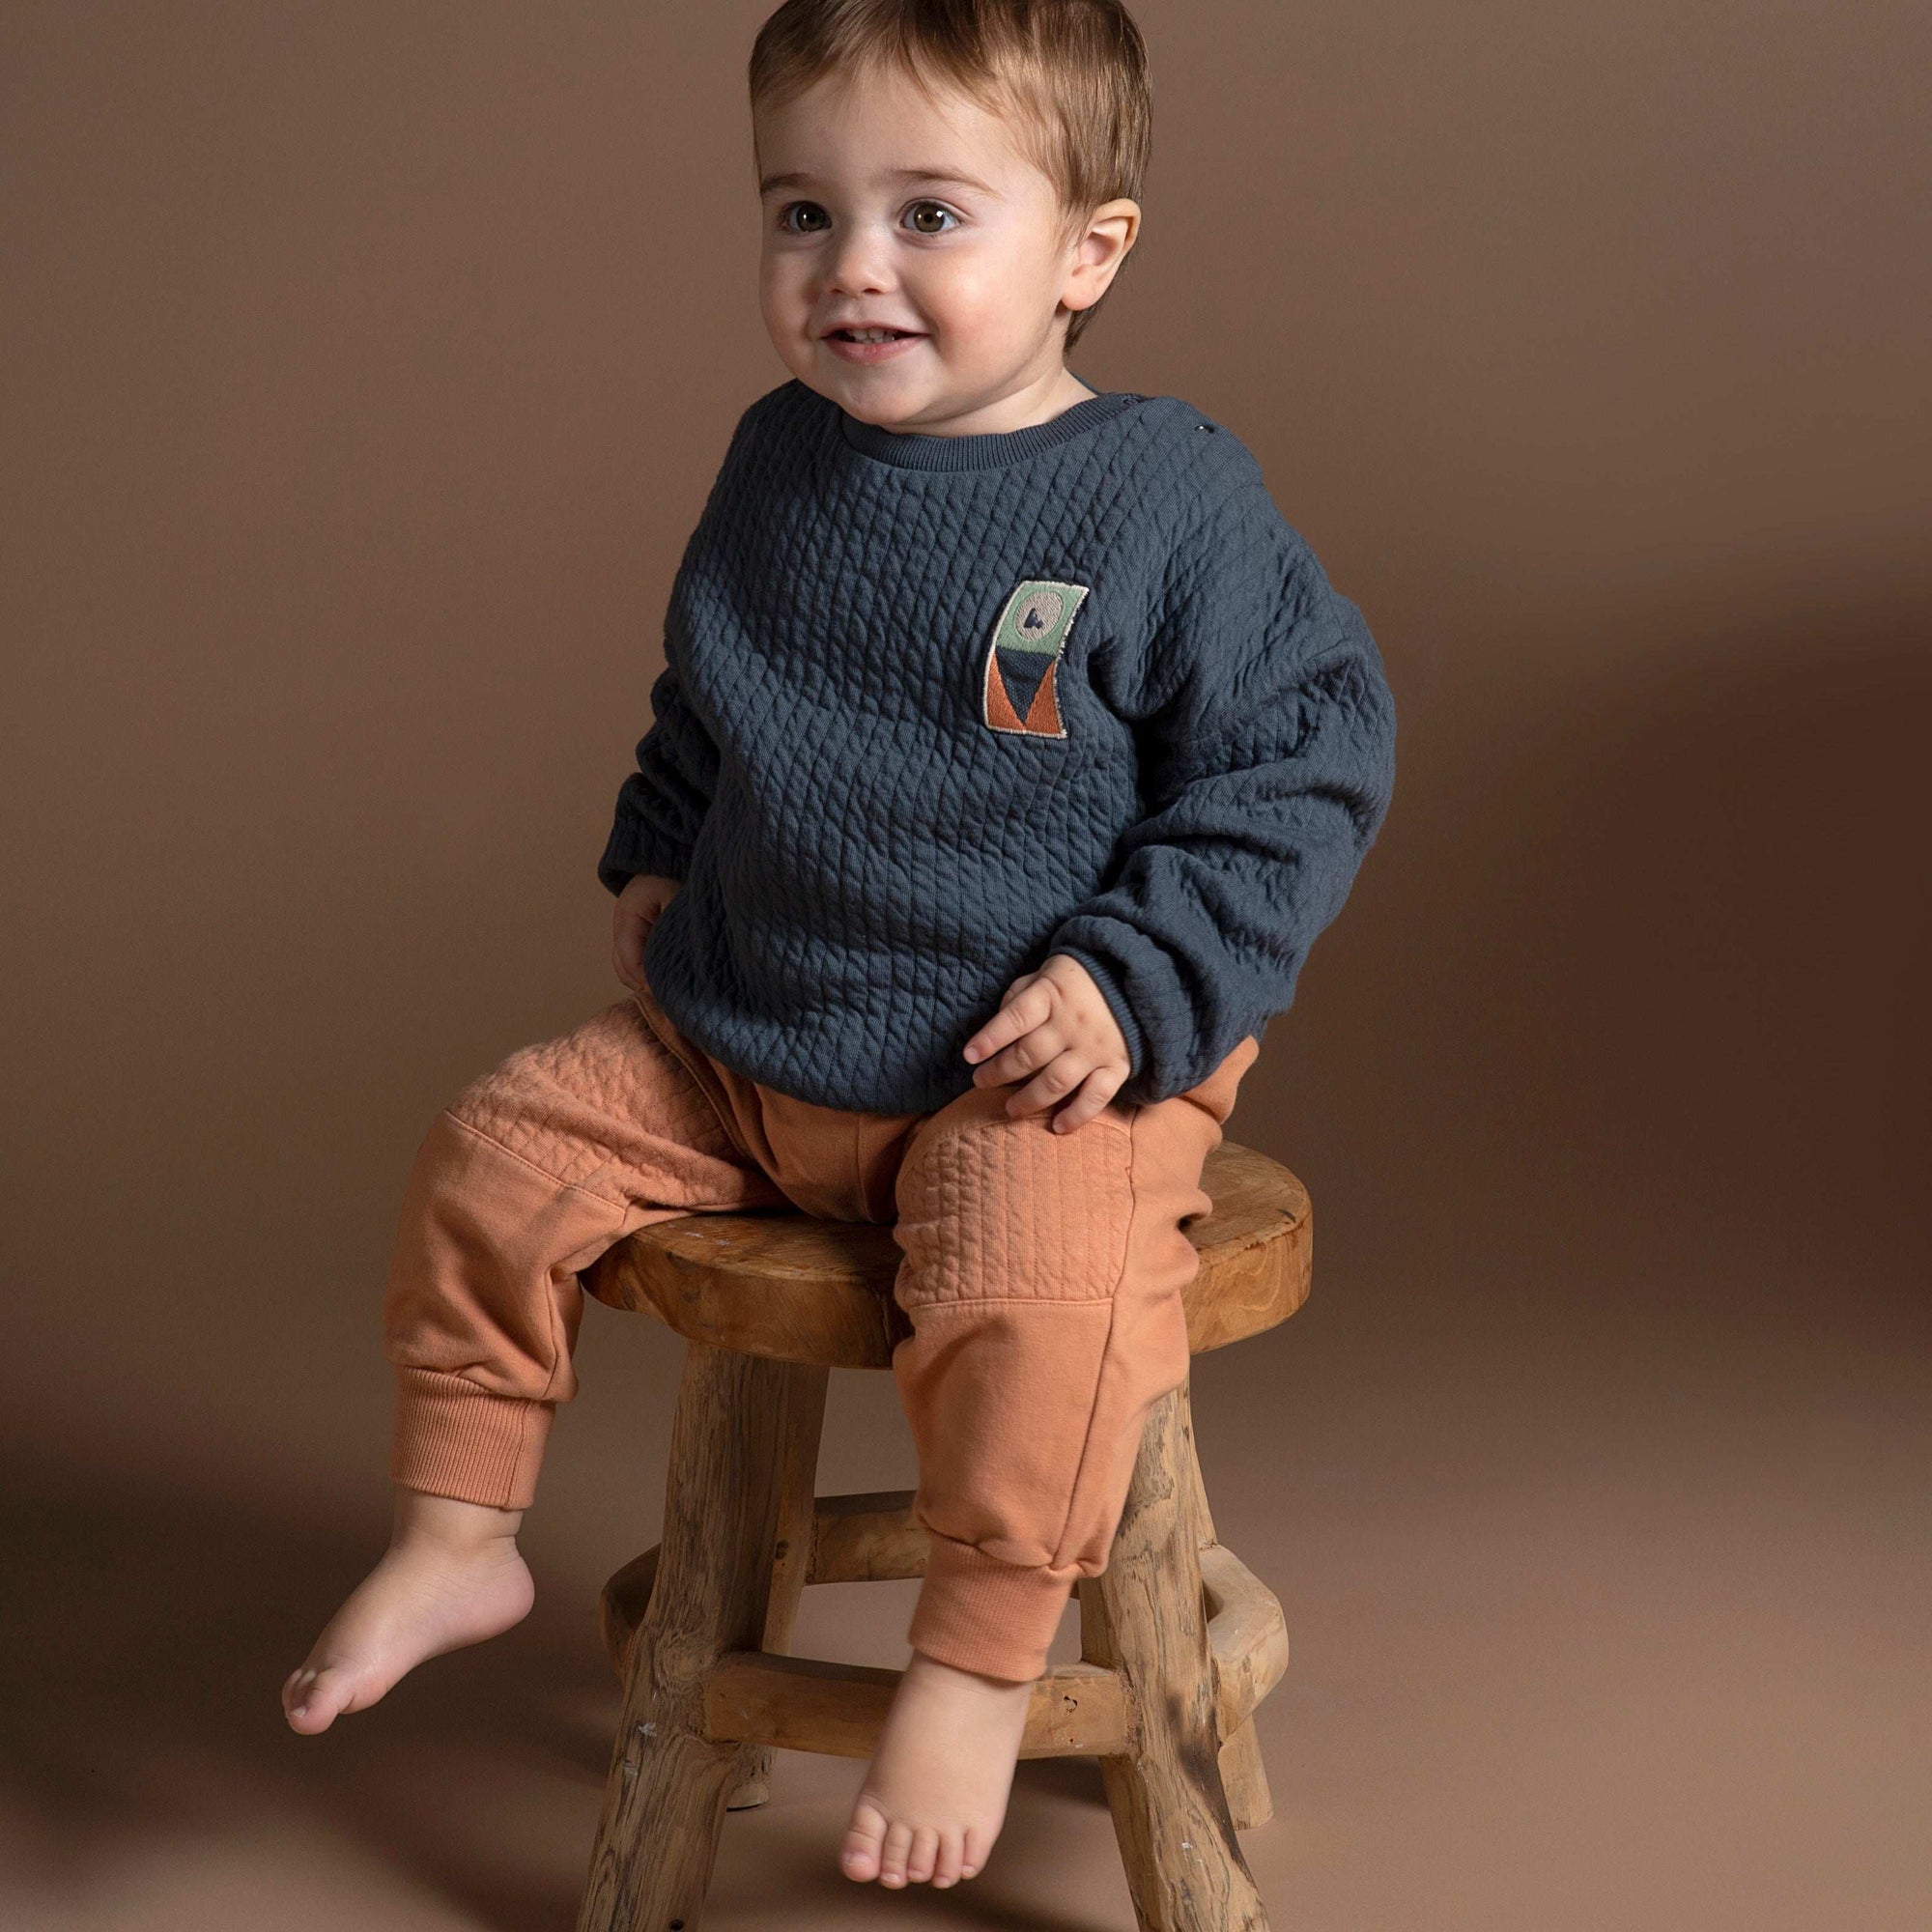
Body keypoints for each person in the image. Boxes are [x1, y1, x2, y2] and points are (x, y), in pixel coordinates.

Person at [282, 0, 1398, 1896]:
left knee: (1045, 1292)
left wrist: (1131, 977)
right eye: (803, 213)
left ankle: (975, 1654)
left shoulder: (1164, 496)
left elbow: (1307, 758)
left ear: (1086, 252)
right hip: (760, 1031)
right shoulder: (776, 460)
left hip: (1042, 1074)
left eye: (928, 216)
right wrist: (661, 845)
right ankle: (457, 1532)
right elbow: (714, 692)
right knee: (499, 1146)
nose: (852, 267)